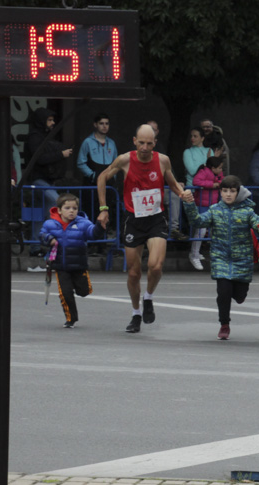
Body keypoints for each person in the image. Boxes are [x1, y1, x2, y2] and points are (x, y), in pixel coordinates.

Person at [95, 123, 193, 333]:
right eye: (141, 143)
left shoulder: (163, 161)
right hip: (134, 220)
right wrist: (103, 208)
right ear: (134, 141)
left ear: (154, 143)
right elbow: (102, 177)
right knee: (133, 273)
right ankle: (135, 313)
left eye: (149, 143)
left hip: (156, 218)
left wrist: (182, 194)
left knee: (156, 266)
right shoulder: (124, 160)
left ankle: (148, 297)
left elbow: (174, 184)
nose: (145, 147)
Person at [182, 175, 259, 340]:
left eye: (232, 191)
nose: (228, 194)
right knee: (223, 292)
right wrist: (189, 203)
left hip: (242, 261)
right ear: (220, 192)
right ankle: (224, 324)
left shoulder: (247, 212)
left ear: (238, 193)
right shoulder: (215, 210)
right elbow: (197, 221)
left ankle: (239, 293)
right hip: (220, 258)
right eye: (225, 191)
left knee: (239, 296)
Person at [39, 194, 106, 327]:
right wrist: (49, 238)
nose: (71, 211)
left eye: (74, 208)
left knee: (84, 291)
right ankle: (71, 318)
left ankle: (81, 288)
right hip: (60, 266)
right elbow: (42, 234)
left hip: (79, 265)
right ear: (59, 210)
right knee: (65, 293)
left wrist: (100, 225)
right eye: (67, 208)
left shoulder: (83, 223)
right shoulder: (50, 223)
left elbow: (93, 234)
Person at [25, 107, 73, 242]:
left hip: (45, 179)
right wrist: (60, 154)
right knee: (53, 201)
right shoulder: (35, 137)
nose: (52, 123)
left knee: (39, 213)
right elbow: (39, 158)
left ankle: (35, 244)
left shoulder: (43, 136)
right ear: (42, 121)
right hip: (37, 179)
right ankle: (51, 235)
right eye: (49, 120)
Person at [189, 155, 226, 270]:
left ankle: (216, 256)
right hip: (202, 205)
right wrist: (212, 184)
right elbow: (196, 181)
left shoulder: (219, 174)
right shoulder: (204, 172)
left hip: (214, 205)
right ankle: (194, 255)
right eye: (219, 168)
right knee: (201, 231)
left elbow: (222, 180)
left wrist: (220, 182)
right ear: (213, 168)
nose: (221, 170)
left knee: (215, 230)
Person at [76, 113, 118, 186]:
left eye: (107, 124)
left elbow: (116, 163)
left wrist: (113, 177)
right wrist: (92, 175)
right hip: (91, 183)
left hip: (109, 183)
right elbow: (80, 163)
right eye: (101, 123)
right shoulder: (87, 142)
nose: (104, 126)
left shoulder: (112, 143)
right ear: (95, 125)